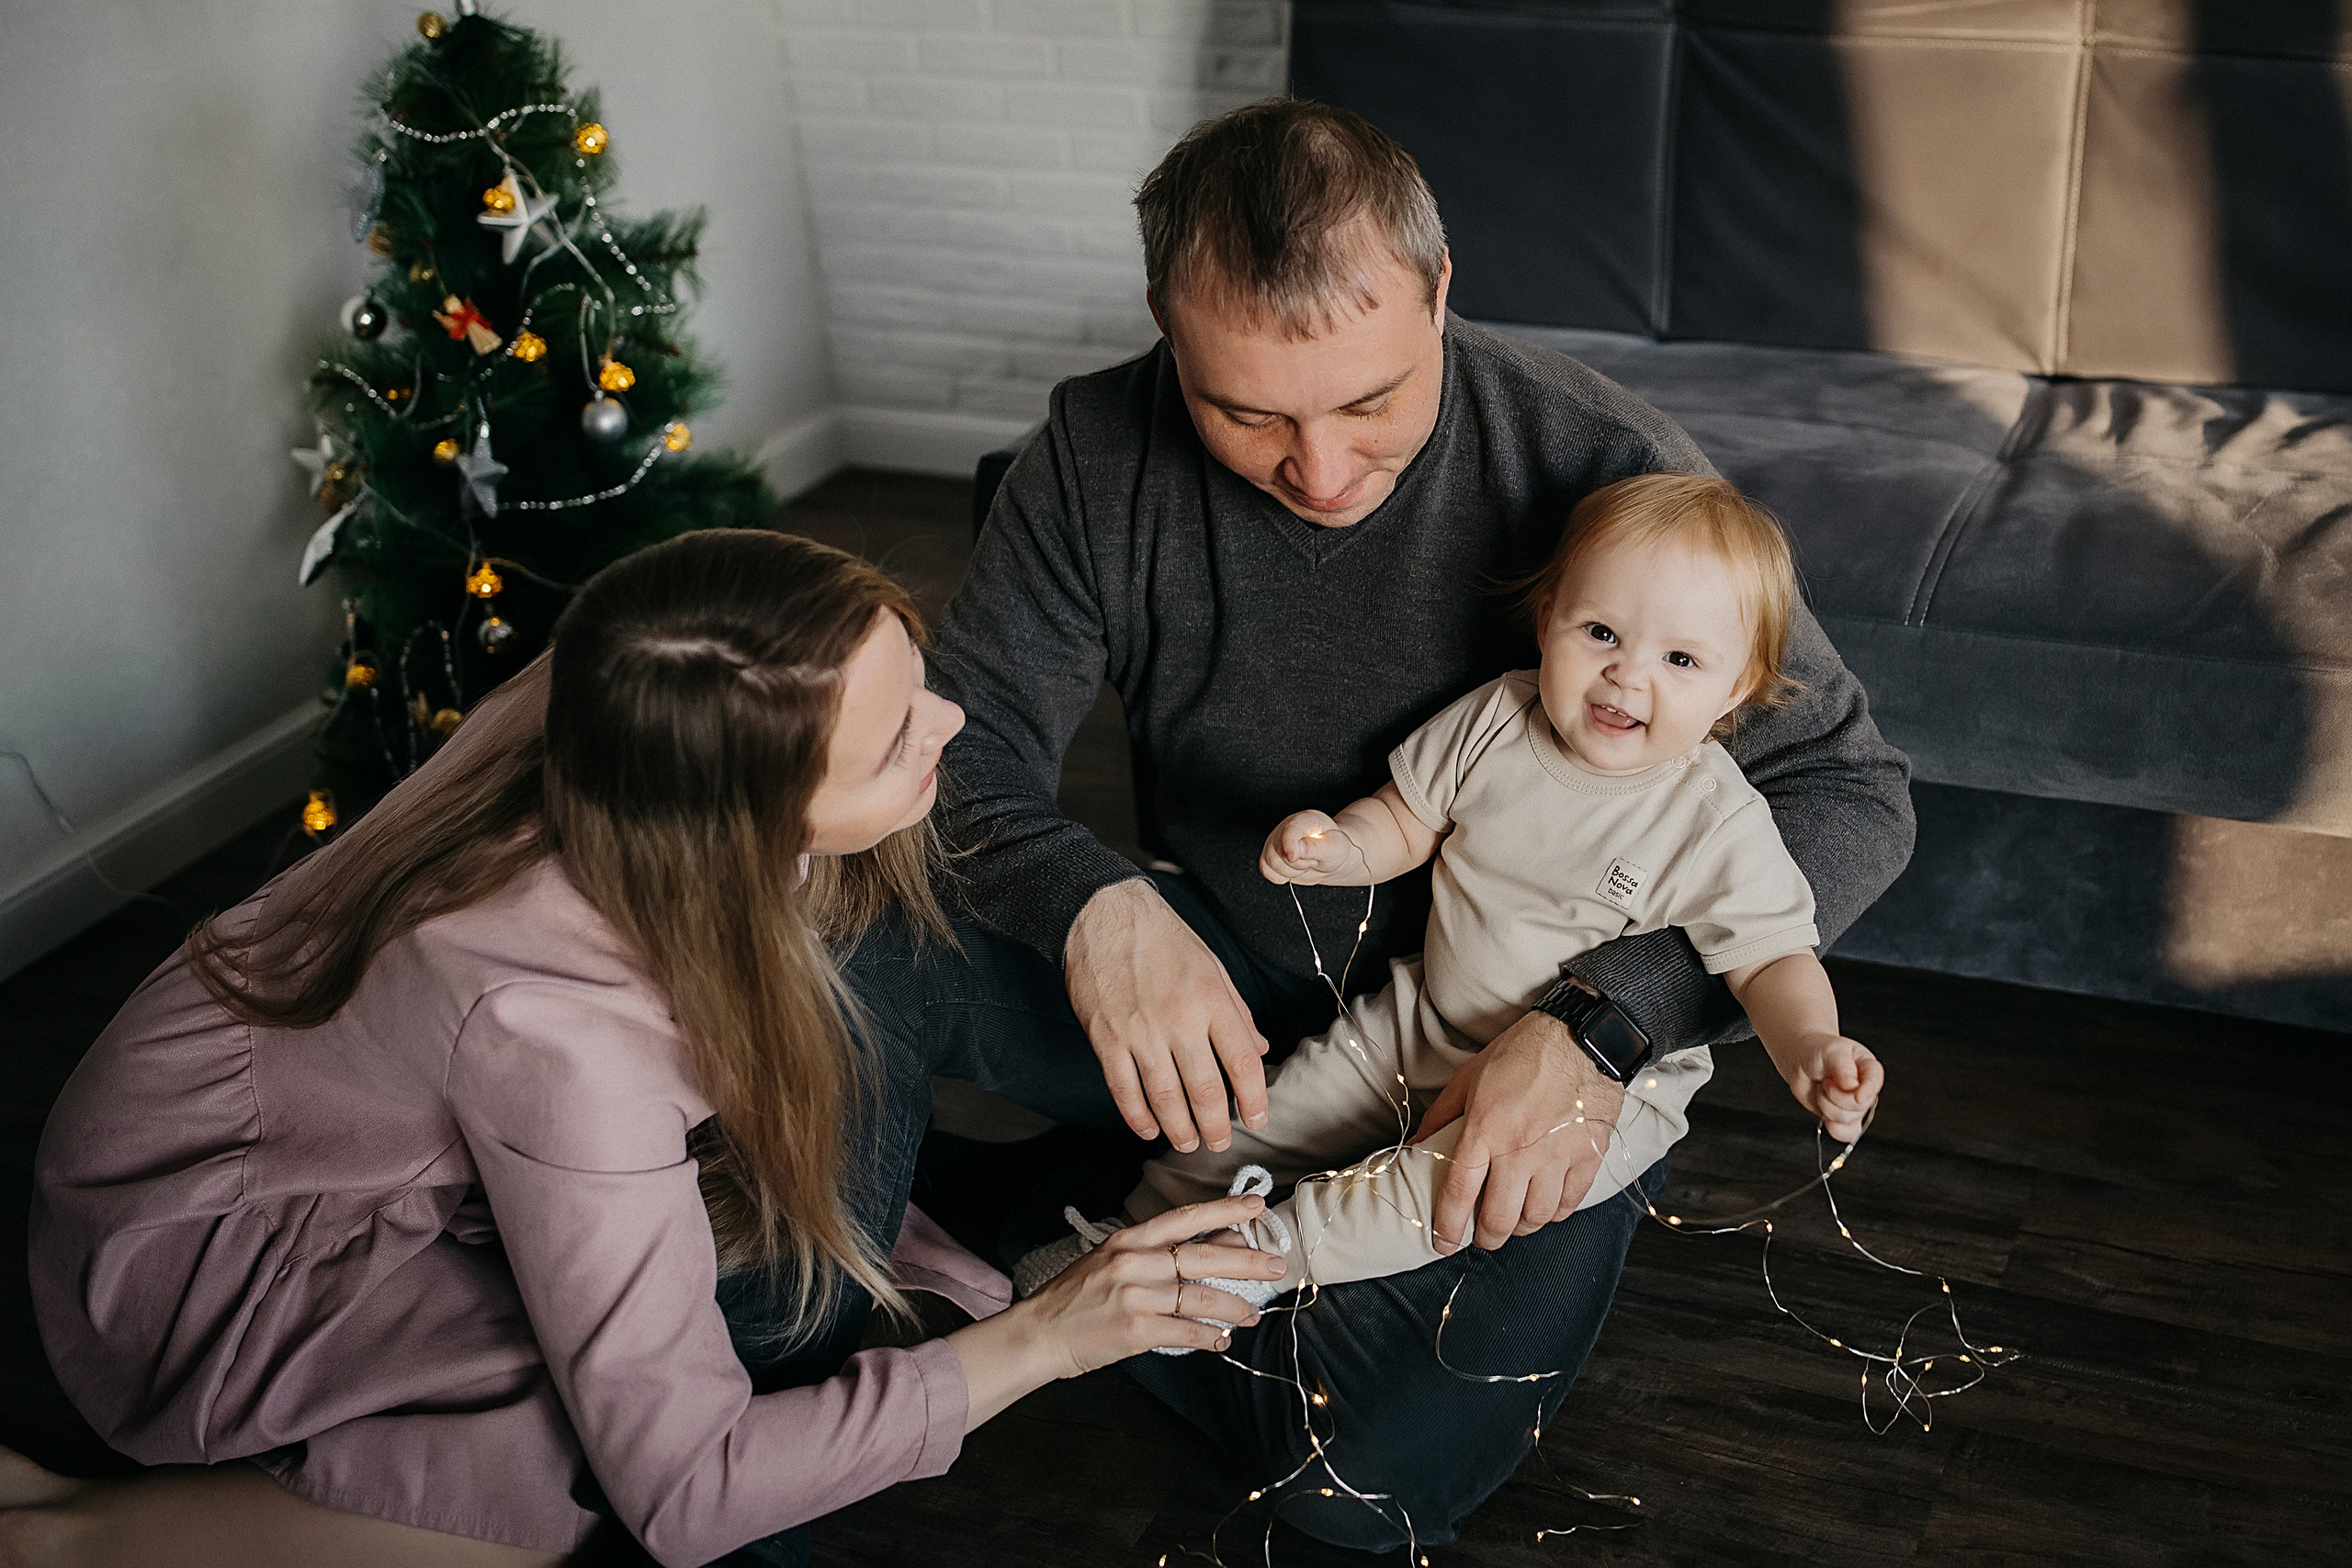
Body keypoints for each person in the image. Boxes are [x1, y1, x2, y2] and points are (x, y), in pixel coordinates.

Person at [924, 98, 1914, 1548]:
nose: (1319, 473)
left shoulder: (1600, 464)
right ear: (1166, 325)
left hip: (1509, 1038)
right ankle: (921, 1271)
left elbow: (1850, 788)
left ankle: (1054, 1237)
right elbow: (962, 754)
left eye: (1368, 402)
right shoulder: (1093, 453)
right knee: (843, 936)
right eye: (1248, 411)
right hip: (1224, 973)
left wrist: (1607, 1018)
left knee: (1361, 1489)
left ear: (1441, 293)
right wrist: (1094, 900)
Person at [3, 530, 1283, 1568]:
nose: (950, 725)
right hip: (223, 1243)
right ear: (740, 827)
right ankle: (77, 1534)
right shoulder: (559, 1043)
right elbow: (688, 1489)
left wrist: (1109, 909)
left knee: (895, 949)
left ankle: (1268, 1102)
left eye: (918, 681)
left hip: (311, 1085)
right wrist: (1055, 1334)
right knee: (588, 1464)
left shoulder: (647, 681)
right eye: (898, 739)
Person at [1041, 473, 1887, 1307]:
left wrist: (1812, 1043)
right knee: (1257, 1118)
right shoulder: (1498, 719)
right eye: (1600, 633)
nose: (1628, 678)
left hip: (1611, 1088)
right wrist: (1337, 848)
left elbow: (1771, 960)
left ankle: (1258, 1259)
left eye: (1679, 659)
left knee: (1434, 1194)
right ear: (1548, 617)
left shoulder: (1713, 819)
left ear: (1735, 687)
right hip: (1421, 1018)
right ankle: (1128, 1233)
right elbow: (1406, 820)